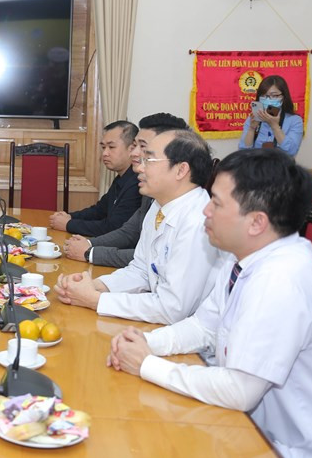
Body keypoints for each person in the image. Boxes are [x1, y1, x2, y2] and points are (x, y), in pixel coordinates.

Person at [107, 149, 312, 458]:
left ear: (256, 222)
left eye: (217, 203)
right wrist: (145, 343)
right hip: (256, 431)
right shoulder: (244, 255)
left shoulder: (281, 280)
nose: (205, 211)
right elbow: (204, 325)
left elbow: (240, 391)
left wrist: (146, 364)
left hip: (304, 453)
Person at [55, 129, 220, 324]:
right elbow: (141, 270)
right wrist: (96, 285)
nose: (139, 168)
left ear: (181, 170)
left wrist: (95, 300)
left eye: (148, 160)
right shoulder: (158, 205)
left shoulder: (198, 221)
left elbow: (172, 309)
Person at [64, 113, 189, 267]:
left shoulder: (193, 216)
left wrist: (89, 252)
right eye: (135, 146)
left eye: (143, 147)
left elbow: (149, 259)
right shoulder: (153, 193)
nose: (133, 153)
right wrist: (88, 244)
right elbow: (130, 233)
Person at [50, 121, 141, 237]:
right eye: (103, 147)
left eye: (111, 147)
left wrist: (69, 224)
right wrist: (70, 216)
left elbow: (113, 228)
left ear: (132, 149)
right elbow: (99, 211)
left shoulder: (137, 182)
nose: (105, 153)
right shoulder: (121, 178)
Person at [238, 74, 303, 156]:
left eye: (274, 95)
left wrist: (275, 127)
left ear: (283, 97)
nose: (268, 99)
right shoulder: (254, 118)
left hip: (281, 167)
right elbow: (243, 152)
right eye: (264, 95)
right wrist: (251, 129)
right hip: (256, 167)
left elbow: (291, 151)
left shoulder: (294, 120)